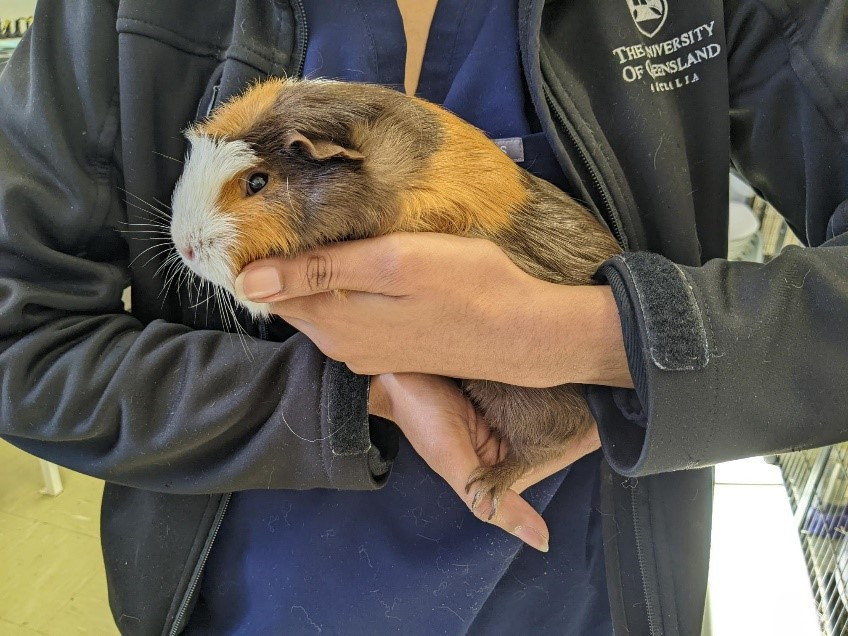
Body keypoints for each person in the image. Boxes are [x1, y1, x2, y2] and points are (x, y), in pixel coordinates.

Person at [0, 0, 846, 634]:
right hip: (256, 600)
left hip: (588, 593)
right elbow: (22, 342)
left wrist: (613, 343)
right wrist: (355, 392)